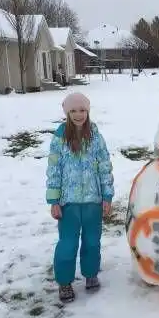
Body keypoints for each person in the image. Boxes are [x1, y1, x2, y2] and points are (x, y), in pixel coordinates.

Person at [46, 92, 114, 303]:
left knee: (92, 242)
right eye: (73, 111)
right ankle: (64, 282)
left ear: (88, 111)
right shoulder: (59, 138)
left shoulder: (96, 137)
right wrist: (54, 201)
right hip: (69, 203)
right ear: (67, 113)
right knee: (68, 244)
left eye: (82, 110)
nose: (78, 115)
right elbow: (54, 170)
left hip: (93, 201)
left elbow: (105, 167)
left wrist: (107, 196)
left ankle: (90, 273)